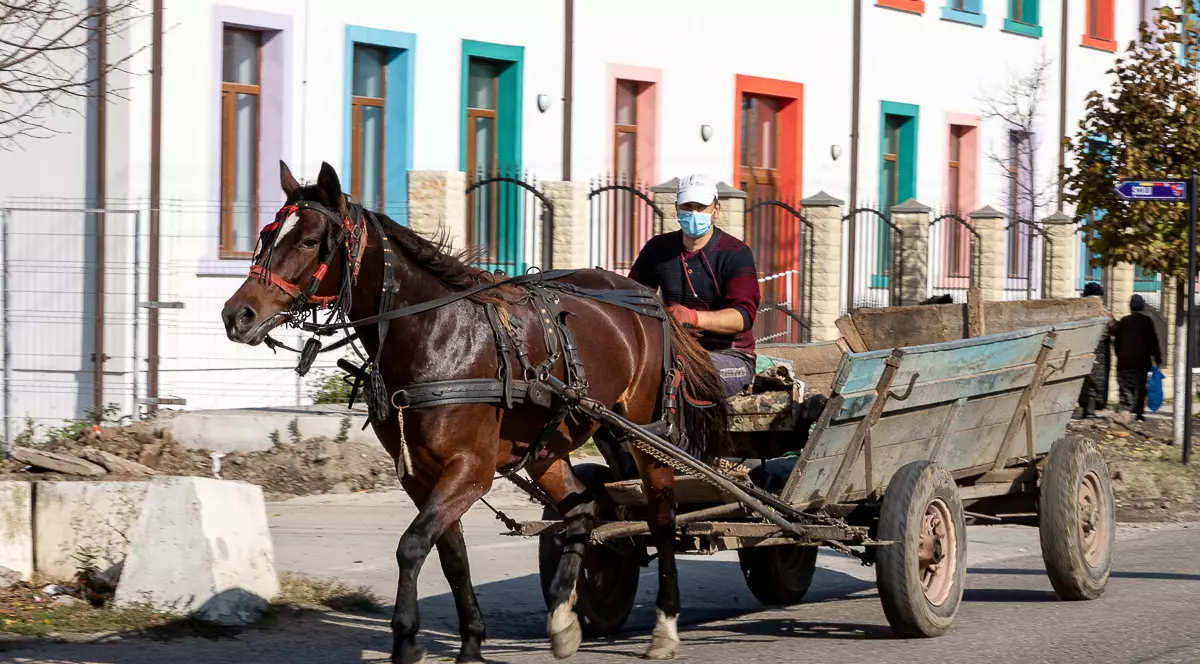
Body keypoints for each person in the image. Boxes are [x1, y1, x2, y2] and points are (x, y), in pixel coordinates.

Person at [628, 174, 762, 397]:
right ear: (676, 209)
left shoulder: (736, 253)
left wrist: (693, 317)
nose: (693, 213)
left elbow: (742, 317)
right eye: (687, 206)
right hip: (674, 350)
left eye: (701, 207)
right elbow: (634, 295)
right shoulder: (657, 249)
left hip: (730, 356)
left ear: (716, 210)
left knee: (683, 374)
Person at [1112, 294, 1162, 422]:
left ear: (1130, 307)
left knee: (1124, 386)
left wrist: (1120, 355)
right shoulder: (1146, 321)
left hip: (1124, 361)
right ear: (1142, 306)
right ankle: (1139, 413)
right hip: (1140, 362)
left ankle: (1125, 410)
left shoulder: (1124, 321)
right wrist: (1157, 357)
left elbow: (1117, 342)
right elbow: (1153, 341)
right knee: (1139, 387)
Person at [1077, 282, 1113, 418]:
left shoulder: (1079, 312)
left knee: (1086, 379)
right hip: (1099, 349)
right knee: (1094, 381)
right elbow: (1113, 327)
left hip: (1084, 347)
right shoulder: (1104, 312)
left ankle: (1087, 409)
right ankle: (1090, 411)